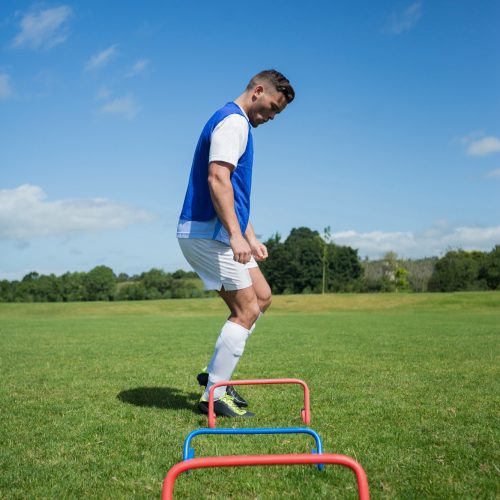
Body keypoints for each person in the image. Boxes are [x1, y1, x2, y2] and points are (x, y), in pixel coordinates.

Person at [177, 69, 295, 417]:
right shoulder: (233, 122)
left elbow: (234, 192)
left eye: (277, 113)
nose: (272, 117)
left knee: (262, 297)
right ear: (258, 90)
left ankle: (214, 374)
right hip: (207, 235)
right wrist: (233, 234)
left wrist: (249, 235)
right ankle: (215, 393)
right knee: (246, 310)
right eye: (272, 107)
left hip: (221, 233)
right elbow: (217, 179)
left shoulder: (239, 123)